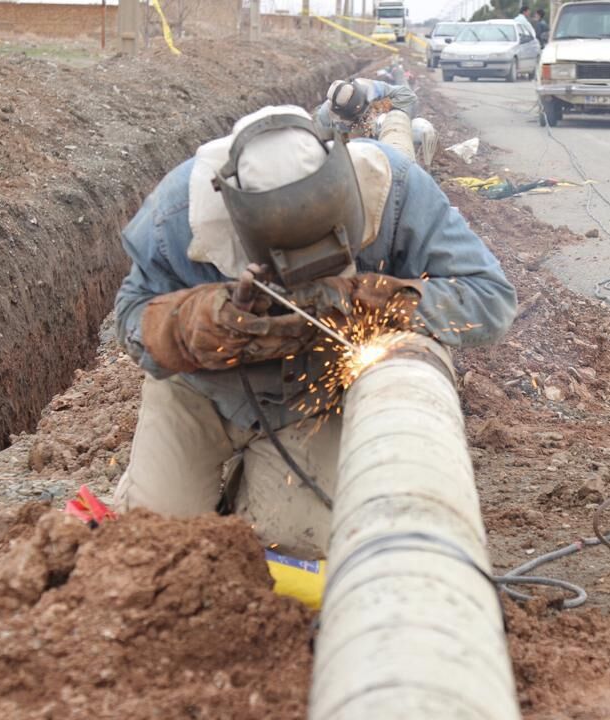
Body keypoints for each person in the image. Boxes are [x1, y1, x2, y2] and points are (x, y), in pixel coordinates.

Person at [113, 106, 517, 559]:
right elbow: (129, 318)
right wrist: (197, 323)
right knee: (151, 546)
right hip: (198, 395)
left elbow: (490, 300)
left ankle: (250, 500)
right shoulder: (179, 212)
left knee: (290, 552)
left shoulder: (394, 189)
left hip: (312, 403)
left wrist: (370, 302)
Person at [313, 78, 417, 138]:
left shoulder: (370, 88)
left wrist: (390, 111)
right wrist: (351, 137)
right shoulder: (326, 117)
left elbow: (407, 95)